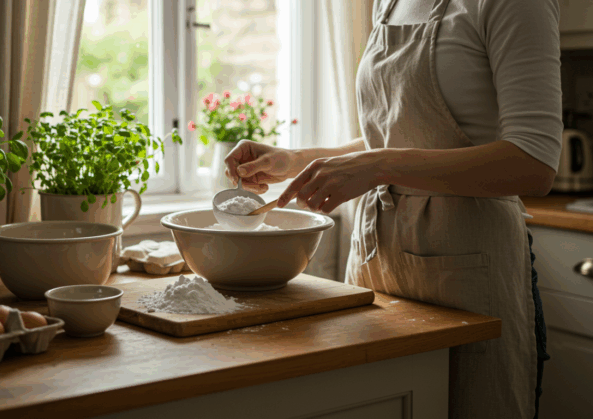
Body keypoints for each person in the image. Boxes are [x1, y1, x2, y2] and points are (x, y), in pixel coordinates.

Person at [224, 0, 560, 418]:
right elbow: (399, 134)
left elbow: (534, 163)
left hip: (471, 271)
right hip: (376, 260)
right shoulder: (387, 3)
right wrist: (298, 161)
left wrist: (378, 166)